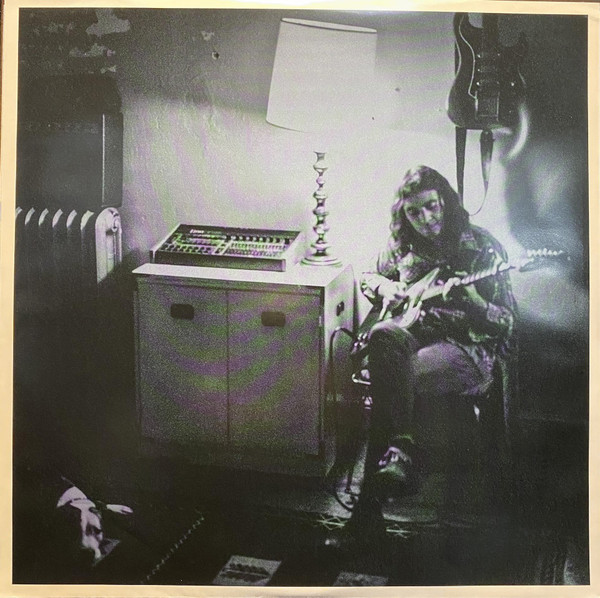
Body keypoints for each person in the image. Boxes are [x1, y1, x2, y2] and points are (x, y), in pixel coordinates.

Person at [347, 165, 517, 537]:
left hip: (467, 348)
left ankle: (370, 505)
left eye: (432, 207)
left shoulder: (482, 246)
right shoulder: (402, 243)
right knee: (383, 334)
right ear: (403, 213)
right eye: (414, 212)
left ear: (445, 202)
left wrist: (473, 301)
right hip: (415, 339)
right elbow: (369, 275)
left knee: (392, 380)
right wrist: (386, 289)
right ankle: (402, 450)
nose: (425, 219)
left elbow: (508, 321)